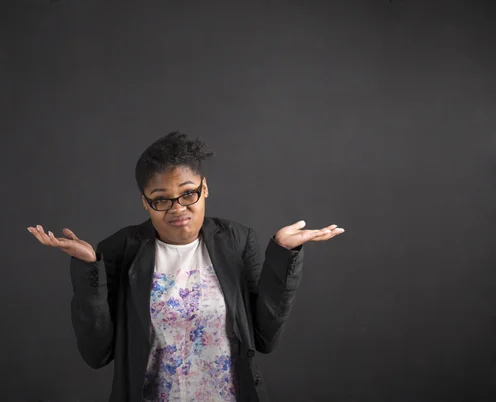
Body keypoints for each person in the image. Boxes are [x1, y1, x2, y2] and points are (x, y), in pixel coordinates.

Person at [27, 131, 344, 402]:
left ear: (204, 188)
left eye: (188, 193)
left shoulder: (236, 241)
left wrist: (283, 254)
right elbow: (97, 353)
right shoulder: (119, 250)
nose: (178, 208)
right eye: (161, 199)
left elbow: (264, 337)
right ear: (145, 201)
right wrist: (88, 269)